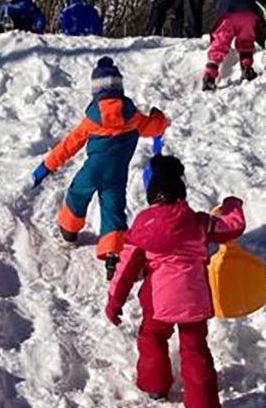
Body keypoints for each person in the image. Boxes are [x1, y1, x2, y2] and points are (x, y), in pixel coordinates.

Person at [104, 153, 246, 408]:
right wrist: (232, 204)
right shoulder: (198, 222)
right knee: (196, 351)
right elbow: (233, 227)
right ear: (180, 193)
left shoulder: (142, 226)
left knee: (152, 338)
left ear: (151, 195)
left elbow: (126, 269)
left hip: (158, 301)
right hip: (194, 300)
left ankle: (154, 385)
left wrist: (114, 301)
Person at [31, 56, 168, 278]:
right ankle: (112, 254)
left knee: (77, 193)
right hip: (117, 175)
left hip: (92, 171)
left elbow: (68, 146)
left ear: (96, 92)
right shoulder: (133, 117)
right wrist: (159, 118)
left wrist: (45, 167)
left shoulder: (92, 120)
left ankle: (69, 229)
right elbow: (154, 127)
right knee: (113, 210)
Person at [202, 0, 266, 90]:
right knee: (246, 42)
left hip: (226, 18)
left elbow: (213, 10)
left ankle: (209, 76)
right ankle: (247, 68)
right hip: (247, 15)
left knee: (219, 45)